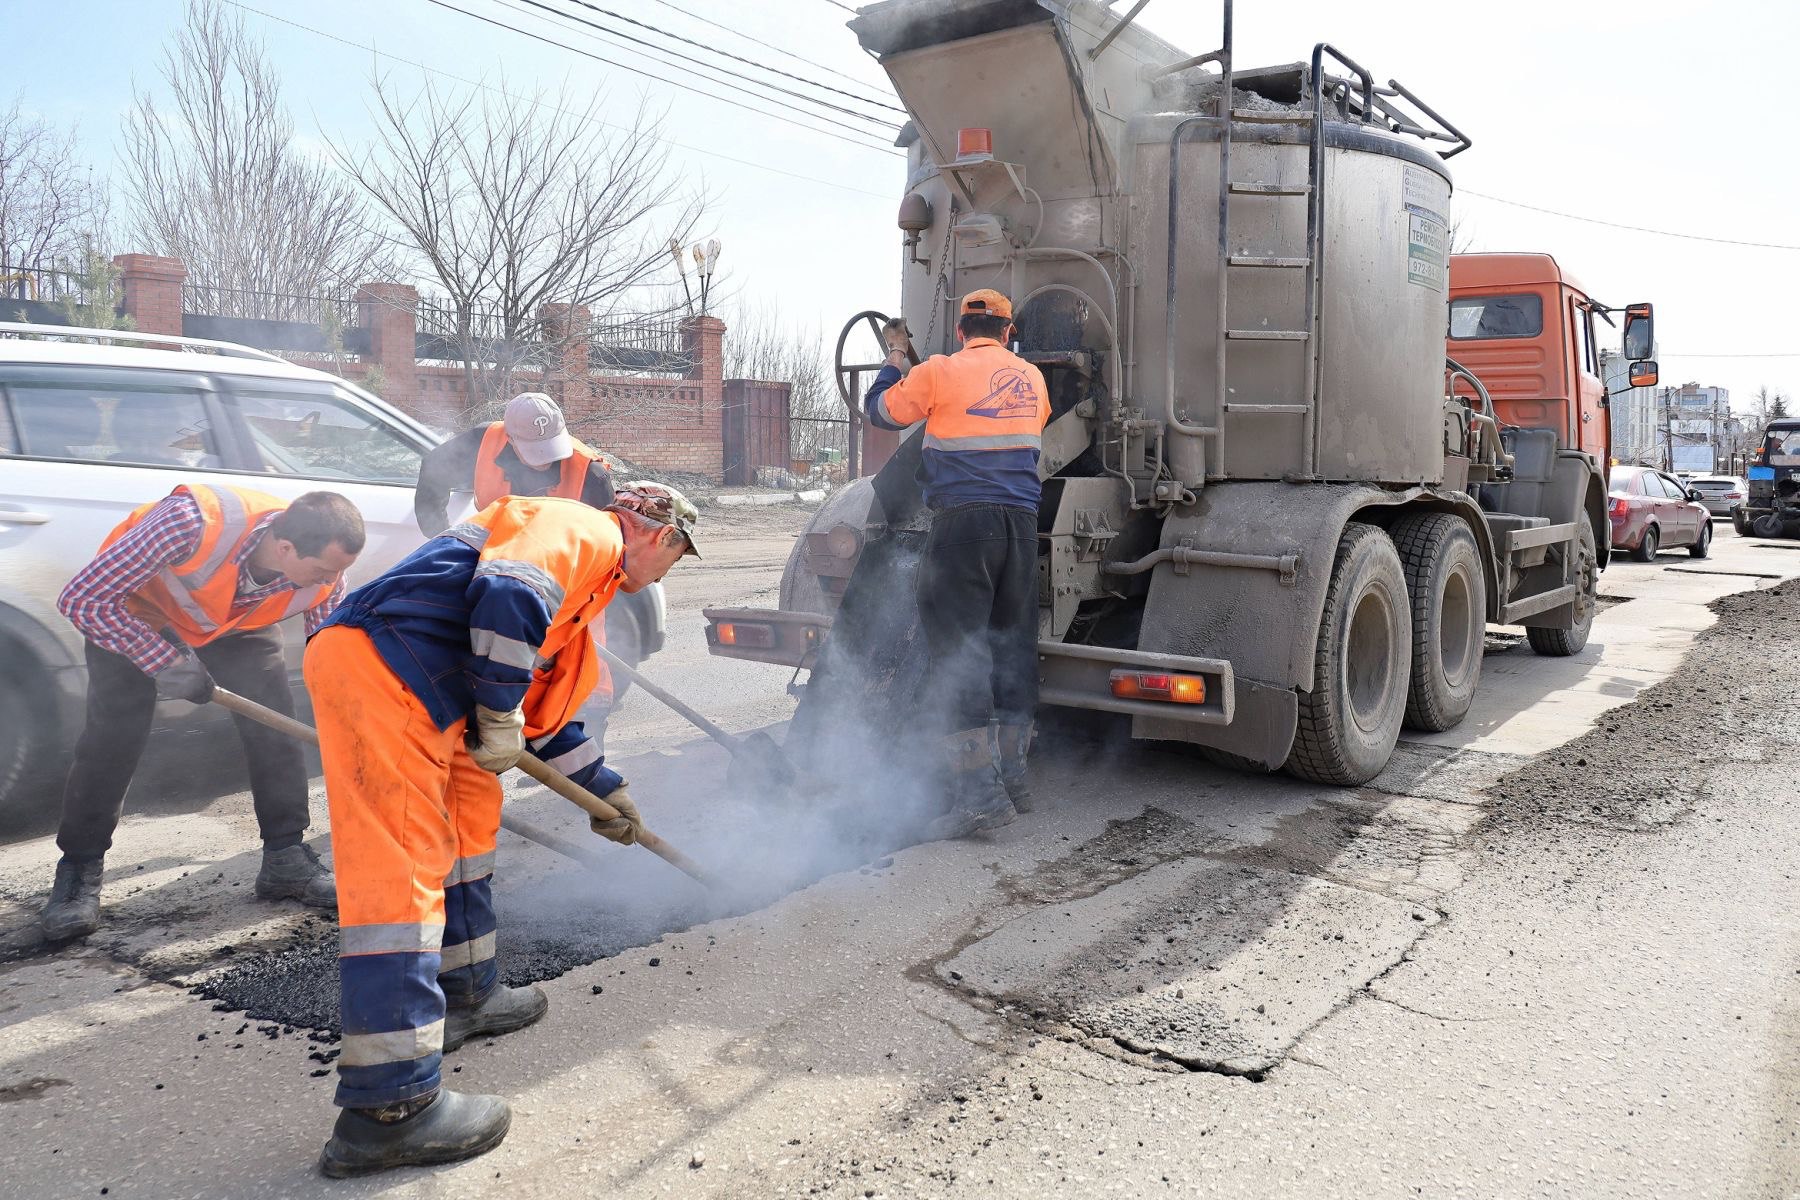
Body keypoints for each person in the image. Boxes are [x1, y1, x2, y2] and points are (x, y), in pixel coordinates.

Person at [304, 482, 700, 1178]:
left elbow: (547, 719)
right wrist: (496, 713)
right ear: (660, 536)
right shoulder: (586, 529)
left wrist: (606, 794)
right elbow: (509, 596)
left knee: (467, 836)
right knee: (401, 877)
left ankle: (469, 993)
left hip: (436, 694)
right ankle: (389, 1109)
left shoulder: (588, 597)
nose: (670, 570)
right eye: (679, 555)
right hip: (386, 669)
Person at [40, 485, 366, 940]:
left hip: (234, 624)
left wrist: (359, 722)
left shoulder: (327, 577)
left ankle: (286, 859)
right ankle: (77, 872)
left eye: (336, 572)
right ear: (285, 546)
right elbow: (83, 599)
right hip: (134, 615)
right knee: (113, 739)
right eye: (320, 570)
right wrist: (164, 662)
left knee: (276, 727)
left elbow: (330, 657)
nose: (327, 581)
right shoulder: (192, 523)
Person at [863, 289, 1051, 837]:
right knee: (1013, 644)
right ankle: (1014, 779)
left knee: (959, 655)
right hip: (1020, 527)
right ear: (1008, 332)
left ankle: (978, 795)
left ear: (961, 331)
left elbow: (881, 412)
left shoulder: (939, 370)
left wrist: (896, 360)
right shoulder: (1031, 380)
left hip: (963, 528)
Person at [412, 391, 615, 537]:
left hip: (560, 568)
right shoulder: (483, 442)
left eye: (550, 445)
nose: (546, 459)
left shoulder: (591, 474)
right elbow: (434, 470)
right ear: (510, 439)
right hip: (494, 555)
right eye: (535, 450)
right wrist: (441, 536)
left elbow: (608, 541)